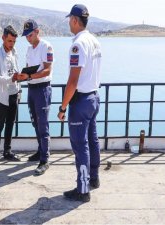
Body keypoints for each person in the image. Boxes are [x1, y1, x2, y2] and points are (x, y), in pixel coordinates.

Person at [57, 4, 101, 202]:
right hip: (94, 98)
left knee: (80, 145)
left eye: (69, 20)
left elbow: (73, 81)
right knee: (92, 140)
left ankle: (82, 190)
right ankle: (94, 179)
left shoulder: (78, 44)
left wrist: (62, 107)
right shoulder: (94, 41)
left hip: (81, 102)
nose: (69, 23)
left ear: (75, 20)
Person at [17, 19, 53, 175]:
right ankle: (40, 150)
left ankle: (45, 159)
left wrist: (29, 75)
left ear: (37, 31)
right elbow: (29, 70)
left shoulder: (46, 46)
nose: (28, 38)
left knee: (43, 125)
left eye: (30, 35)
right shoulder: (29, 49)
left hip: (42, 89)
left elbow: (47, 71)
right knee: (35, 123)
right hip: (31, 88)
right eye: (26, 35)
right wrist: (23, 76)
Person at [0, 25, 21, 169]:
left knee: (10, 124)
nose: (11, 44)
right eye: (9, 41)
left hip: (14, 94)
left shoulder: (15, 52)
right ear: (3, 38)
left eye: (14, 41)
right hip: (2, 97)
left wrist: (19, 81)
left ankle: (7, 152)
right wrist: (11, 79)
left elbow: (16, 71)